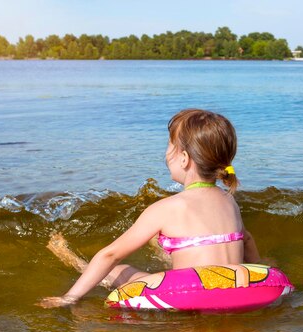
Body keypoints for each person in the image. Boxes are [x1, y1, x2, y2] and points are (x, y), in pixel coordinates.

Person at [38, 108, 262, 308]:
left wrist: (69, 298)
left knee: (118, 270)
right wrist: (259, 271)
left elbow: (111, 254)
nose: (166, 153)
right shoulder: (229, 200)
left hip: (192, 297)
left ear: (184, 159)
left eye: (170, 145)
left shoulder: (167, 207)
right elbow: (247, 240)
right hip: (233, 293)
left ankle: (74, 261)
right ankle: (164, 248)